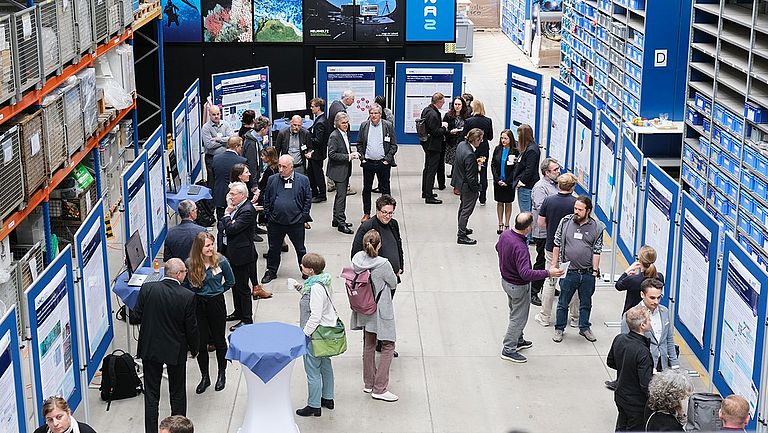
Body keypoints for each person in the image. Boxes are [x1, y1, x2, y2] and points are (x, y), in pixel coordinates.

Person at [134, 258, 198, 433]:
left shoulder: (148, 289)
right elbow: (191, 327)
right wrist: (194, 349)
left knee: (151, 395)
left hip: (150, 348)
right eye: (184, 271)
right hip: (175, 351)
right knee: (177, 392)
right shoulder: (187, 296)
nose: (186, 274)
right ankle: (178, 429)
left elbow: (136, 316)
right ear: (178, 274)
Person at [496, 213, 564, 363]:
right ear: (528, 228)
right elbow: (526, 273)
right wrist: (548, 272)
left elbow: (497, 248)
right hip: (518, 286)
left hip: (507, 281)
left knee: (514, 311)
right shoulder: (520, 247)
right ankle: (509, 349)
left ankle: (518, 339)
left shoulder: (506, 235)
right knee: (518, 318)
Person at [351, 229, 400, 402]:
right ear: (379, 245)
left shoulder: (357, 260)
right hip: (381, 310)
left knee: (369, 344)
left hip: (364, 308)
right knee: (388, 345)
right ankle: (380, 388)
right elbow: (393, 283)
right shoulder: (383, 264)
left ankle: (368, 382)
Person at [551, 196, 605, 343]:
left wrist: (594, 271)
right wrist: (554, 265)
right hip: (568, 271)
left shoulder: (597, 227)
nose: (576, 212)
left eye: (580, 210)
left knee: (586, 302)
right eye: (575, 208)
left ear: (588, 211)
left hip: (587, 273)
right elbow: (556, 243)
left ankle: (584, 327)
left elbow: (597, 250)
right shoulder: (566, 222)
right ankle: (559, 328)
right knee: (563, 302)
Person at [185, 232, 234, 394]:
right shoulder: (190, 264)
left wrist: (218, 291)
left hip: (216, 303)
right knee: (201, 343)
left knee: (219, 340)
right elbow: (185, 285)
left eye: (212, 244)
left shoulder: (221, 261)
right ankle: (205, 377)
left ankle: (222, 373)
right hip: (198, 304)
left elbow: (230, 281)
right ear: (199, 247)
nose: (211, 248)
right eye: (207, 245)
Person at [220, 182, 269, 331]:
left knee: (242, 287)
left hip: (241, 255)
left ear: (242, 195)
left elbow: (231, 228)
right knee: (234, 285)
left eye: (233, 194)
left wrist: (227, 216)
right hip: (230, 252)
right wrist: (228, 220)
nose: (230, 196)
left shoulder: (247, 210)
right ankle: (238, 312)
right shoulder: (235, 207)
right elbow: (222, 227)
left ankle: (246, 319)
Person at [535, 173, 580, 327]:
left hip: (551, 245)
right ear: (572, 187)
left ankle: (545, 316)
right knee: (573, 281)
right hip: (572, 248)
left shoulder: (549, 201)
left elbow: (540, 223)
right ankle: (575, 318)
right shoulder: (577, 204)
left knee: (550, 280)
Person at [295, 253, 337, 417]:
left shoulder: (316, 288)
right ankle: (328, 397)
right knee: (326, 365)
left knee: (312, 370)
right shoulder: (323, 281)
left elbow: (315, 315)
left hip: (315, 335)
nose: (301, 266)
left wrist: (304, 335)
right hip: (325, 333)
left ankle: (314, 405)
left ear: (310, 270)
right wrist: (300, 288)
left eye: (303, 265)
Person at [261, 155, 312, 284]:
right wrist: (268, 215)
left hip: (296, 222)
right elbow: (266, 198)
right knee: (273, 248)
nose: (281, 169)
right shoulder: (272, 179)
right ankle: (271, 271)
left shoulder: (303, 180)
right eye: (279, 166)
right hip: (276, 222)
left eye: (284, 166)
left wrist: (303, 216)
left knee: (300, 248)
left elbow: (307, 199)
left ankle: (305, 271)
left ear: (291, 167)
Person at [607, 304, 654, 432]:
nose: (651, 322)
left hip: (620, 395)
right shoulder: (642, 352)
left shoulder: (620, 339)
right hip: (636, 402)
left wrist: (626, 369)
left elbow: (610, 362)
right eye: (649, 319)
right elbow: (645, 384)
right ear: (642, 325)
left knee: (621, 426)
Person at [357, 103, 397, 222]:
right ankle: (367, 213)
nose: (373, 115)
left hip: (383, 163)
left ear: (380, 114)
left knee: (385, 190)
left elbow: (394, 145)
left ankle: (386, 213)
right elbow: (359, 143)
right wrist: (362, 158)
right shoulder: (364, 125)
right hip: (368, 163)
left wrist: (387, 160)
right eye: (371, 113)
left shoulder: (388, 126)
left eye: (376, 113)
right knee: (366, 189)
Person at [530, 158, 561, 307]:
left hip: (552, 230)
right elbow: (541, 207)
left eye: (558, 168)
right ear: (546, 172)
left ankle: (550, 285)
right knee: (542, 260)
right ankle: (534, 290)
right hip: (543, 232)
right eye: (555, 170)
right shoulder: (540, 187)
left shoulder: (554, 185)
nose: (558, 172)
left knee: (552, 261)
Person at [327, 112, 359, 234]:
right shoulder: (334, 136)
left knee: (339, 196)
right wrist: (348, 156)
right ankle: (341, 223)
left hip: (344, 170)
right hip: (338, 171)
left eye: (347, 122)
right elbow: (332, 154)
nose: (346, 125)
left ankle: (336, 219)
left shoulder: (344, 134)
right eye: (343, 123)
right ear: (337, 124)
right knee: (341, 197)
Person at [452, 128, 484, 245]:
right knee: (466, 210)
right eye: (480, 139)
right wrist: (477, 189)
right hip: (467, 186)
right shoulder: (470, 154)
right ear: (475, 140)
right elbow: (471, 177)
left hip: (460, 182)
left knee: (462, 207)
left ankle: (462, 228)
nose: (481, 142)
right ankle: (461, 235)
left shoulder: (462, 145)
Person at [616, 245, 665, 314]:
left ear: (640, 261)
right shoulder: (660, 277)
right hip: (651, 313)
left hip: (632, 316)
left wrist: (627, 272)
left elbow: (618, 286)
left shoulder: (633, 280)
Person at [463, 100, 493, 205]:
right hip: (484, 149)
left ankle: (472, 193)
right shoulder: (488, 121)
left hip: (472, 149)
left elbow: (464, 135)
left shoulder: (468, 121)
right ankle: (483, 197)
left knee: (471, 171)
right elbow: (490, 137)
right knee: (483, 173)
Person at [419, 92, 447, 204]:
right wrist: (444, 128)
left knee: (427, 168)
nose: (443, 104)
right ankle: (429, 196)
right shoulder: (434, 115)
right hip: (434, 145)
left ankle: (425, 191)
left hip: (427, 144)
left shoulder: (426, 110)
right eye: (443, 102)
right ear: (438, 102)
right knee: (432, 170)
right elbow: (436, 132)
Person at [326, 90, 356, 195]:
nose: (354, 101)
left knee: (332, 160)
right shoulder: (341, 111)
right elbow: (344, 128)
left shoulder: (334, 104)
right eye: (353, 99)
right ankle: (345, 186)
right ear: (347, 99)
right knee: (342, 159)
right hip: (339, 138)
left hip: (332, 137)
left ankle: (331, 183)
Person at [512, 124, 541, 230]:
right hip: (527, 184)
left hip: (527, 186)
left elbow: (529, 170)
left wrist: (521, 182)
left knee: (525, 212)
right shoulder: (529, 148)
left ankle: (527, 236)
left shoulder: (531, 150)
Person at [212, 136, 246, 220]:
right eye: (241, 146)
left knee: (221, 220)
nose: (241, 149)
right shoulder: (242, 161)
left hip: (219, 193)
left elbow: (213, 176)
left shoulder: (216, 159)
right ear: (236, 146)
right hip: (236, 195)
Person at [491, 129, 518, 234]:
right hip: (498, 181)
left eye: (506, 138)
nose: (503, 140)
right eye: (502, 138)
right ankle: (500, 223)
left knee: (508, 203)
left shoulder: (515, 151)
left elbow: (516, 168)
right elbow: (493, 164)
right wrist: (497, 179)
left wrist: (508, 180)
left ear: (510, 139)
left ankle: (507, 223)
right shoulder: (498, 149)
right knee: (500, 202)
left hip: (509, 182)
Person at [202, 105, 233, 186]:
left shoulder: (225, 124)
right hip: (212, 158)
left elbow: (231, 139)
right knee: (213, 181)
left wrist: (218, 139)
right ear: (209, 114)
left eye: (218, 114)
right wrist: (224, 141)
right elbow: (209, 145)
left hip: (225, 157)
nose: (216, 116)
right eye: (214, 114)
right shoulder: (206, 128)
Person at [308, 97, 328, 203]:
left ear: (318, 107)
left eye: (312, 107)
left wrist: (308, 139)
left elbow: (319, 140)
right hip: (316, 153)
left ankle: (322, 194)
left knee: (317, 174)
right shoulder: (320, 119)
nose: (311, 109)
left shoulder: (320, 122)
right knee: (311, 173)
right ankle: (315, 193)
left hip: (317, 153)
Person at [243, 116, 271, 183]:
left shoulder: (256, 139)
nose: (268, 131)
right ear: (262, 129)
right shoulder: (252, 143)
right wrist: (254, 184)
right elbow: (252, 164)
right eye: (267, 129)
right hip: (254, 180)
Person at [443, 96, 469, 169]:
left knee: (462, 161)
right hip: (452, 141)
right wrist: (450, 132)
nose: (457, 106)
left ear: (462, 105)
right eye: (455, 104)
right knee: (454, 161)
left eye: (459, 104)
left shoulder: (466, 115)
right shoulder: (448, 115)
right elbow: (444, 129)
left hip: (463, 140)